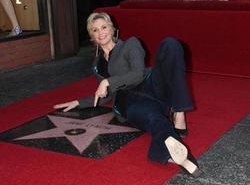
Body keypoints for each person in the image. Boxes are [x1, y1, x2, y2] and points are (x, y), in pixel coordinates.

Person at [54, 12, 201, 177]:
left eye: (104, 27)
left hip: (151, 84)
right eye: (95, 30)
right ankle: (168, 154)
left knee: (170, 44)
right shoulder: (97, 65)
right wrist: (79, 102)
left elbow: (138, 74)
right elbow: (108, 95)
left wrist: (107, 81)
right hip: (130, 102)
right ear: (92, 36)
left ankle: (179, 111)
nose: (101, 32)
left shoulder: (130, 44)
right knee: (154, 119)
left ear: (112, 29)